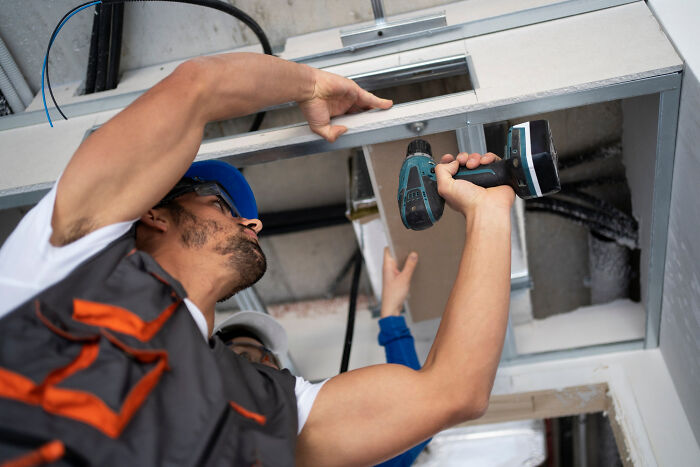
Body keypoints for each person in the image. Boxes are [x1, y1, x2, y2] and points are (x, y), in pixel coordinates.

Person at [0, 52, 514, 466]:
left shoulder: (266, 402)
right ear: (154, 213)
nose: (254, 223)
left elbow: (453, 392)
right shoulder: (67, 255)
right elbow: (197, 86)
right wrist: (311, 85)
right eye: (222, 206)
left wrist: (489, 215)